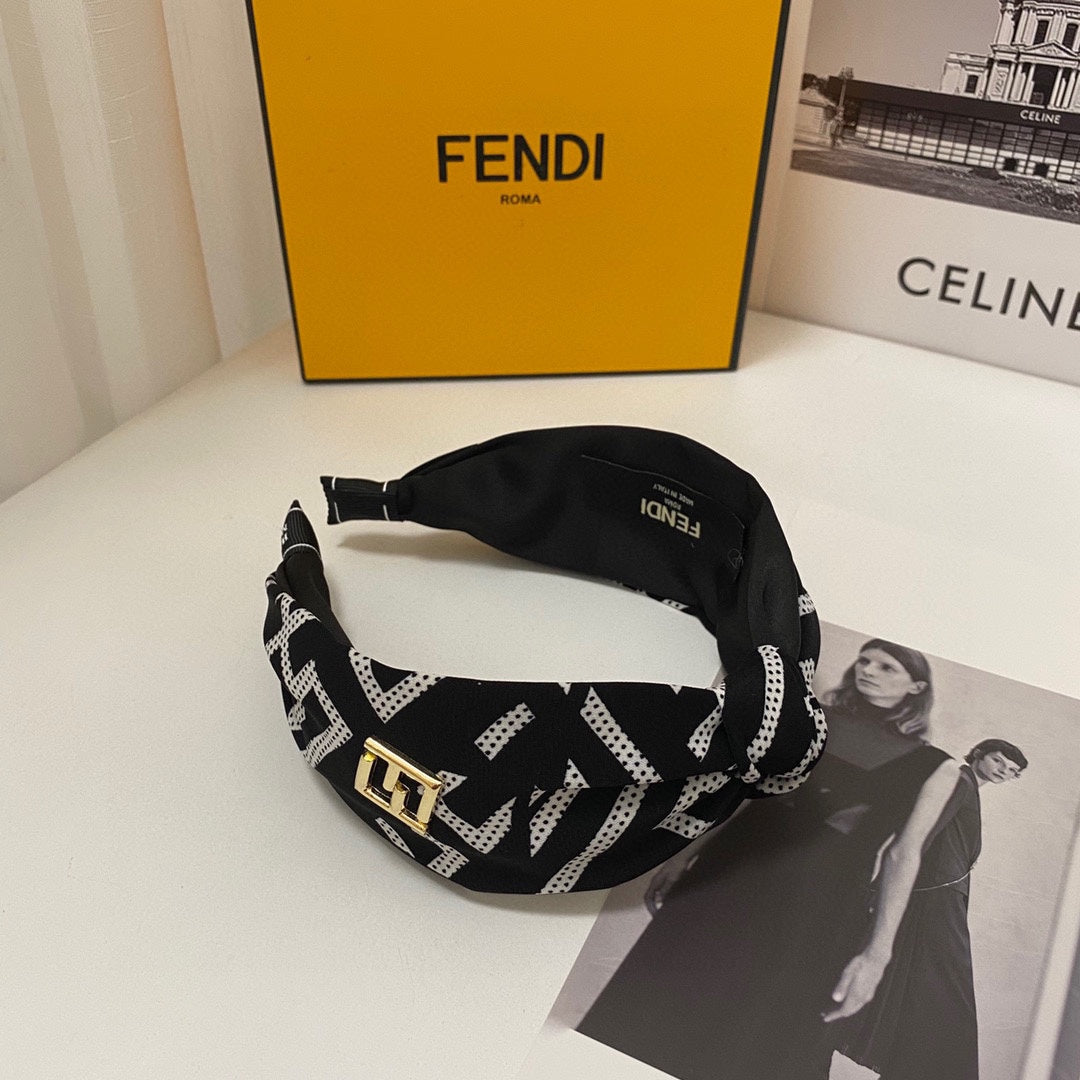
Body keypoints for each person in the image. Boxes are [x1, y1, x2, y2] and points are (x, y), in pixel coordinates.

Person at [577, 640, 937, 1080]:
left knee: (760, 1028)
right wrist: (683, 855)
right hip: (731, 872)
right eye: (864, 661)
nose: (868, 670)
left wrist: (877, 955)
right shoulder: (809, 720)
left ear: (917, 687)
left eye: (886, 667)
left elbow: (904, 854)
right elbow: (746, 796)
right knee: (663, 993)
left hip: (821, 903)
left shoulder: (935, 765)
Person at [797, 738, 1028, 1080]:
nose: (1003, 771)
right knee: (943, 1005)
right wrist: (883, 890)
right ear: (979, 754)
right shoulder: (960, 781)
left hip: (939, 903)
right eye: (999, 761)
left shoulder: (968, 788)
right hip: (931, 903)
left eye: (1011, 771)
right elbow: (916, 840)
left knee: (915, 999)